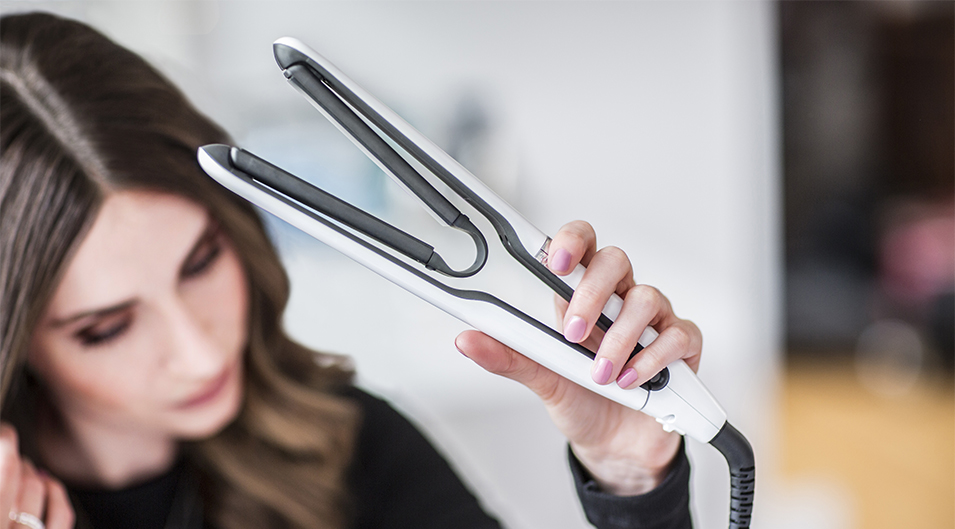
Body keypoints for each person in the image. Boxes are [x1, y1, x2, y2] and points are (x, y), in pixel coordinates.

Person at [0, 12, 700, 529]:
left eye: (202, 262)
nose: (200, 351)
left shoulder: (350, 446)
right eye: (107, 328)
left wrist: (631, 479)